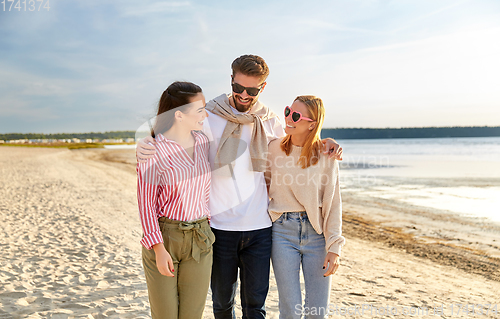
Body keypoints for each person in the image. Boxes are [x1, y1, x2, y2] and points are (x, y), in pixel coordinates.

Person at [136, 55, 343, 319]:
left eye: (252, 90)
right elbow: (175, 135)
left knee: (255, 306)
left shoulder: (270, 121)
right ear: (231, 80)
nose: (244, 95)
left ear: (263, 87)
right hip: (218, 228)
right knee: (222, 304)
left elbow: (295, 147)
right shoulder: (209, 115)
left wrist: (325, 142)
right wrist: (147, 141)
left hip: (260, 227)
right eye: (238, 87)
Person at [137, 81, 215, 319]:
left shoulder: (203, 143)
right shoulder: (154, 150)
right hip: (165, 238)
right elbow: (146, 204)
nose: (205, 114)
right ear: (179, 115)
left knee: (192, 315)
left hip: (200, 238)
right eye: (199, 109)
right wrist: (158, 249)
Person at [265, 96, 345, 319]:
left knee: (317, 311)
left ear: (312, 123)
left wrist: (334, 247)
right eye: (289, 111)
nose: (288, 118)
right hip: (281, 233)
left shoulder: (326, 155)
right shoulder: (273, 149)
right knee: (290, 309)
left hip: (317, 235)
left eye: (296, 116)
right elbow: (263, 183)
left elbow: (333, 203)